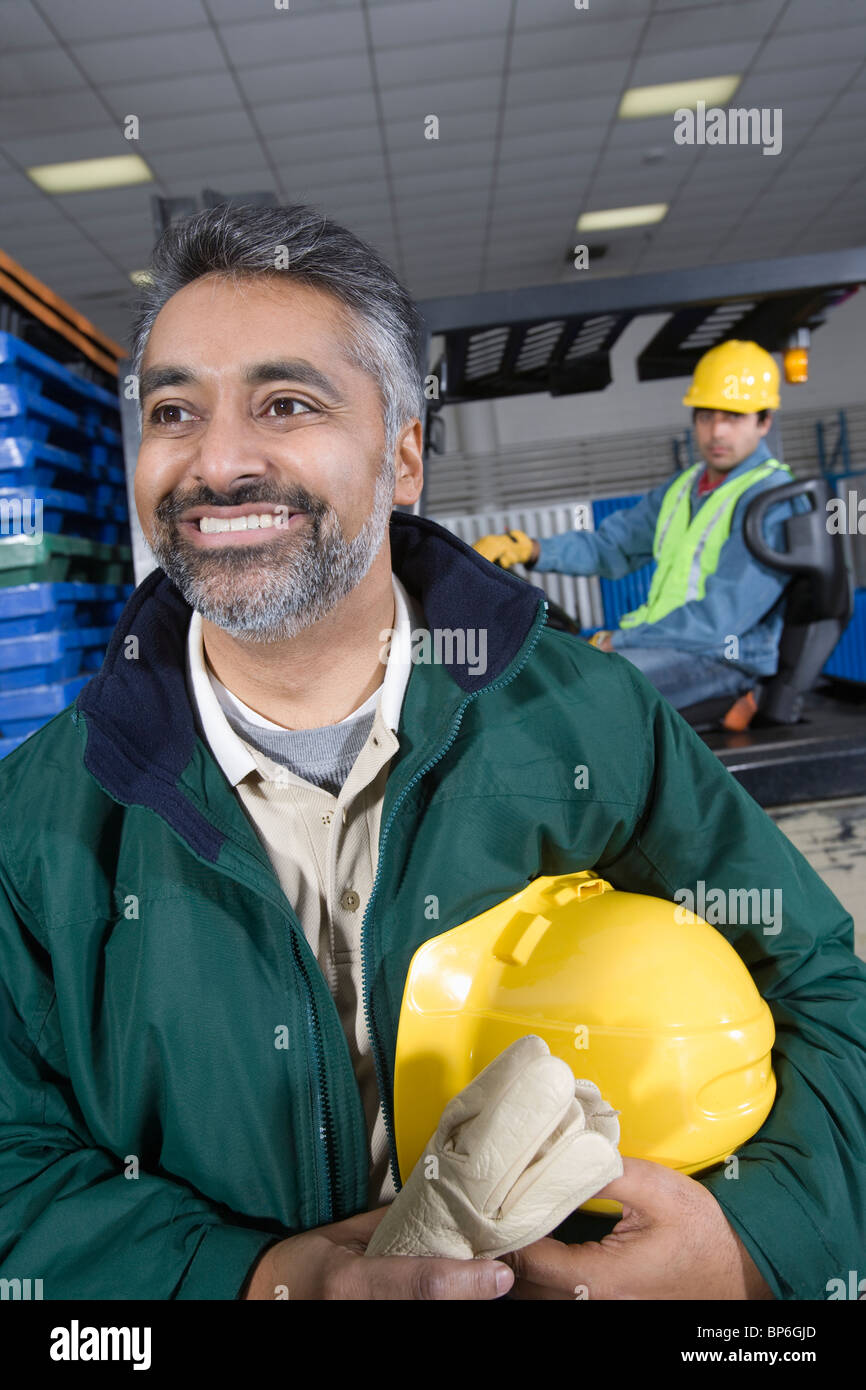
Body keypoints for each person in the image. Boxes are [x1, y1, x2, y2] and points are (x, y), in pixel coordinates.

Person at [0, 205, 864, 1302]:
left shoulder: (591, 722)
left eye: (285, 403)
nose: (215, 460)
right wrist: (260, 1281)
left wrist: (751, 1245)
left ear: (402, 454)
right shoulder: (37, 824)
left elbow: (822, 987)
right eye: (174, 409)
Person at [474, 341, 798, 716]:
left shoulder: (772, 499)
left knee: (576, 696)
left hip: (722, 658)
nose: (717, 432)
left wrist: (622, 640)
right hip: (669, 645)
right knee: (545, 675)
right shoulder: (684, 488)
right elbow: (610, 547)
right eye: (707, 416)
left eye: (733, 417)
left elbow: (719, 621)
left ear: (764, 422)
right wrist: (530, 548)